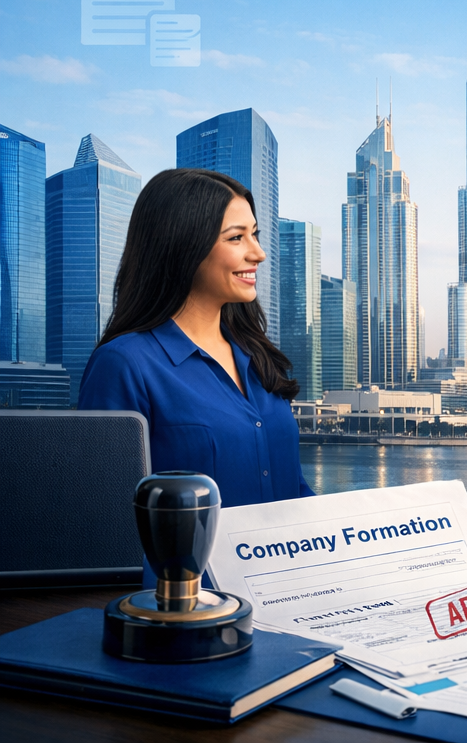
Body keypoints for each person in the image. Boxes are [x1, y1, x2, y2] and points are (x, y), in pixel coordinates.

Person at [80, 167, 313, 510]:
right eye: (236, 238)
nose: (259, 253)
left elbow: (294, 486)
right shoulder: (124, 365)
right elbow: (107, 514)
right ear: (183, 244)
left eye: (255, 234)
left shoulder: (259, 357)